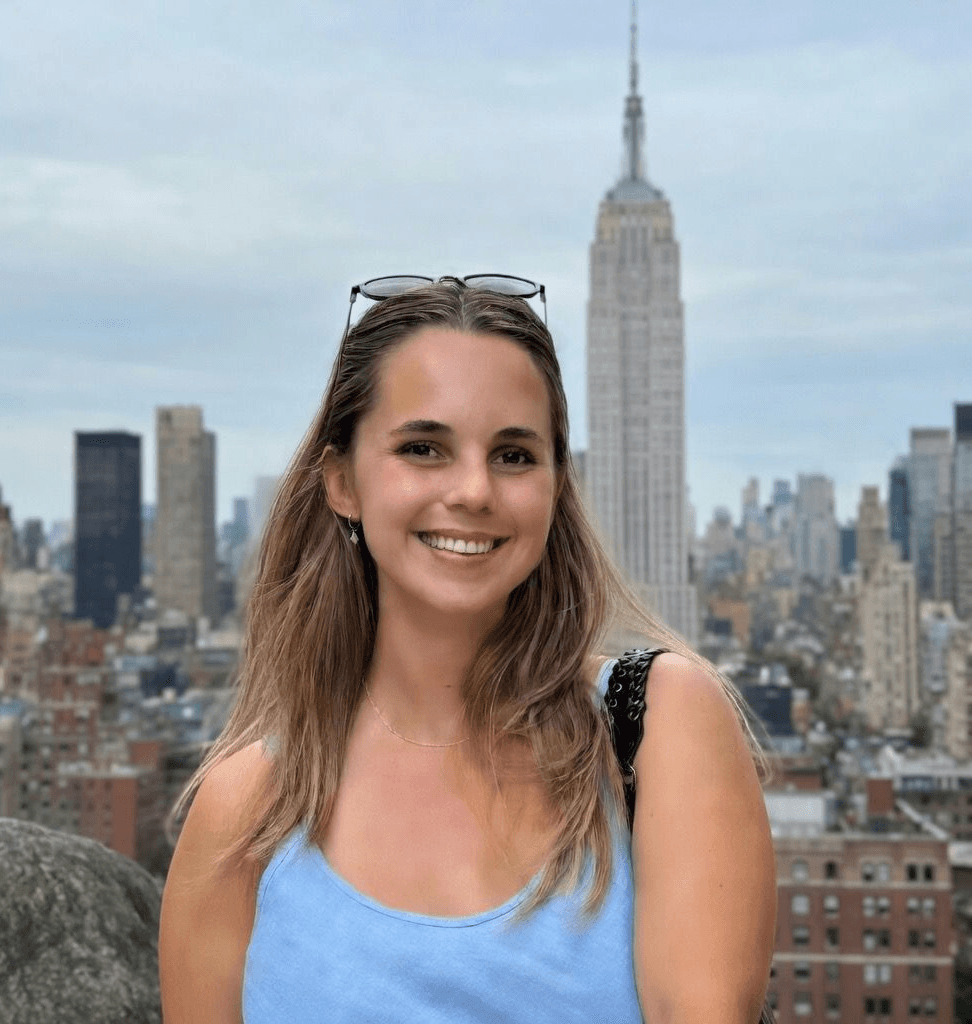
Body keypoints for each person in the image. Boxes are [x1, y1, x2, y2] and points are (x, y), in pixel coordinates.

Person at [158, 275, 776, 1023]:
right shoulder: (244, 812)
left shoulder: (657, 725)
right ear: (342, 482)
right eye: (425, 448)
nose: (475, 490)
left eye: (515, 455)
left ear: (555, 485)